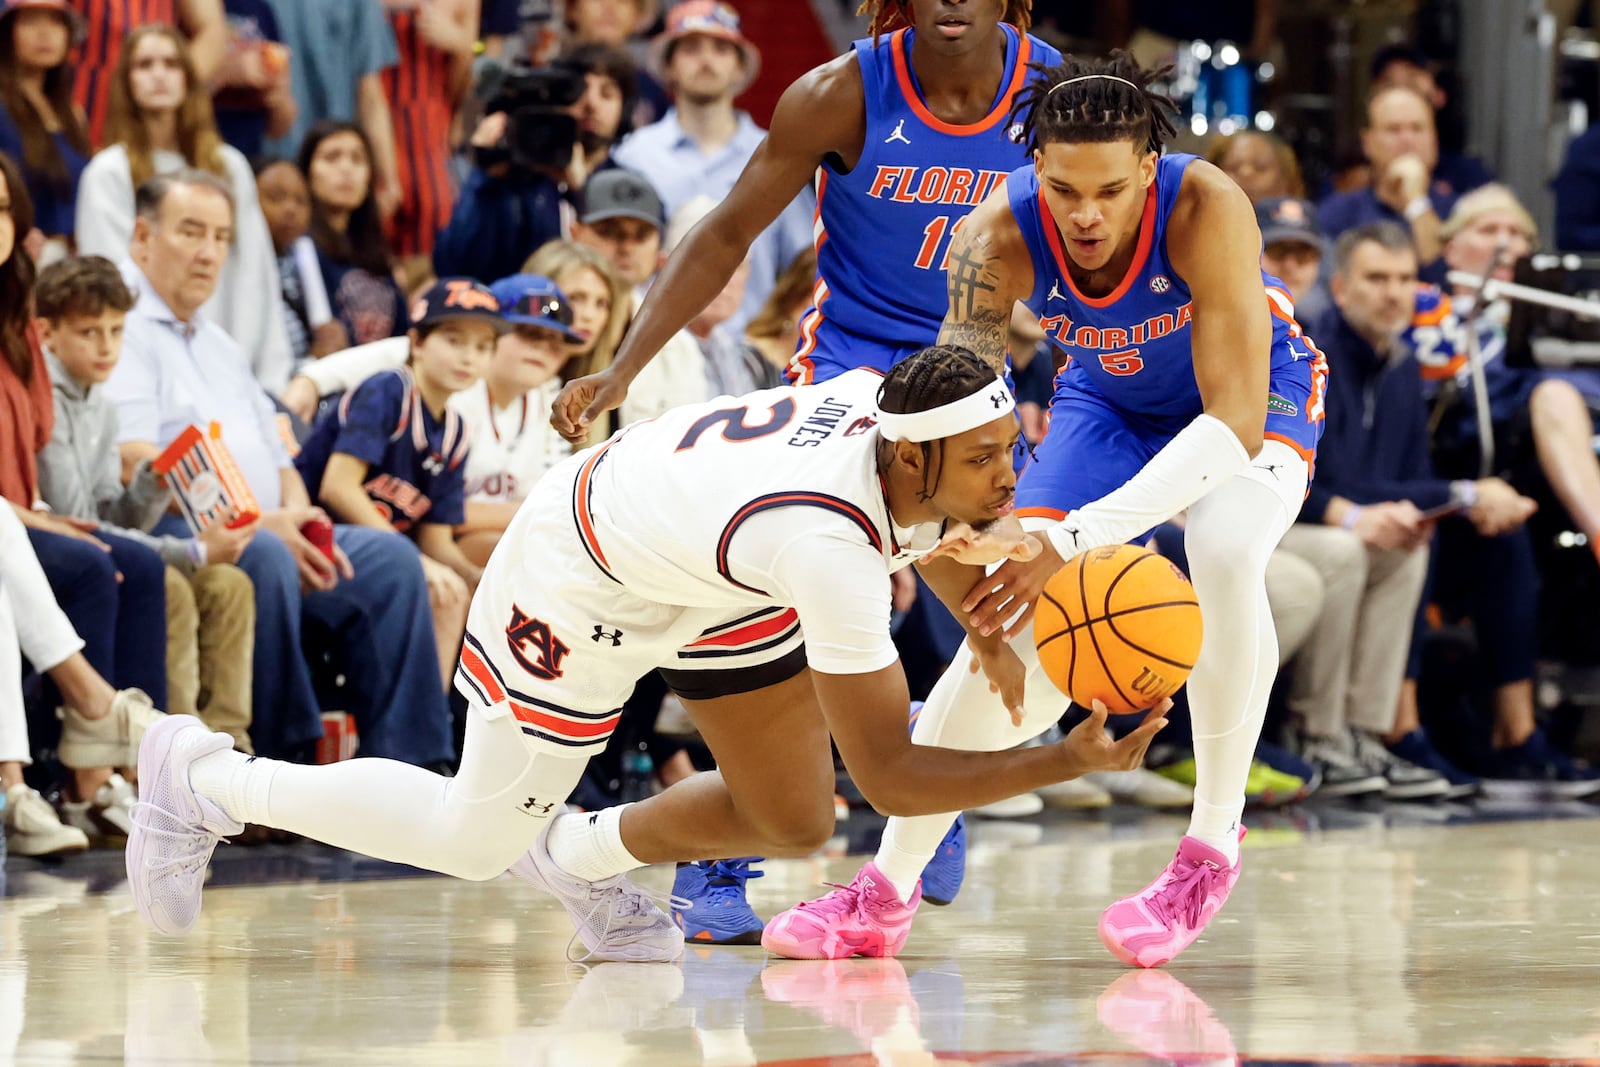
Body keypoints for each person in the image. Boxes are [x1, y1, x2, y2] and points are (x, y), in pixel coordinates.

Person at [123, 344, 1171, 959]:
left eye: (1010, 450)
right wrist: (1060, 759)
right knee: (472, 834)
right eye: (987, 457)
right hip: (581, 569)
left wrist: (983, 626)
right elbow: (892, 774)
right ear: (914, 453)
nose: (1008, 476)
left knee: (794, 815)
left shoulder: (883, 405)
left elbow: (934, 520)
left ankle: (579, 856)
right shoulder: (826, 548)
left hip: (709, 570)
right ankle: (208, 780)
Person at [766, 51, 1327, 969]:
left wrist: (1070, 531)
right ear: (1035, 173)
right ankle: (884, 888)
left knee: (1224, 549)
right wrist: (973, 555)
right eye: (1064, 189)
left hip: (1251, 399)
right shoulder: (991, 241)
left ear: (1149, 166)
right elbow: (953, 420)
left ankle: (1209, 848)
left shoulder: (1207, 202)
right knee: (1009, 605)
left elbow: (1227, 423)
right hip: (1103, 401)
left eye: (1110, 188)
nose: (1087, 213)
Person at [553, 0, 1061, 941]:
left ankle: (920, 795)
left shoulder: (1052, 93)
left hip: (974, 376)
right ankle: (719, 856)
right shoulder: (841, 93)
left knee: (1013, 607)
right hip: (850, 384)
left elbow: (1095, 243)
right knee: (780, 607)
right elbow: (722, 234)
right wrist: (623, 363)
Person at [104, 168, 456, 768]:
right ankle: (277, 766)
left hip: (269, 523)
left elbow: (280, 455)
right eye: (191, 232)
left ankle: (411, 767)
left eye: (221, 237)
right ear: (142, 238)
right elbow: (134, 463)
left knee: (393, 560)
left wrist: (297, 514)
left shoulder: (219, 343)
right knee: (264, 555)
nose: (209, 252)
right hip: (181, 532)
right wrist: (265, 525)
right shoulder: (124, 331)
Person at [34, 255, 259, 755]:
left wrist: (153, 482)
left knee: (231, 586)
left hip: (106, 546)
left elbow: (116, 516)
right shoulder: (45, 397)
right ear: (46, 333)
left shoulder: (102, 402)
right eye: (90, 332)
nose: (107, 346)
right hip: (59, 550)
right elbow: (79, 521)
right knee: (173, 587)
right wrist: (192, 553)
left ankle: (229, 752)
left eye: (116, 330)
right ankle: (176, 759)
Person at [293, 277, 504, 692]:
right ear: (417, 342)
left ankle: (432, 738)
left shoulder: (457, 431)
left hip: (380, 557)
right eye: (455, 340)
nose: (469, 357)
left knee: (454, 593)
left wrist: (470, 574)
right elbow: (337, 487)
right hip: (317, 542)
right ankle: (416, 739)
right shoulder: (388, 390)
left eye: (483, 347)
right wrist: (414, 560)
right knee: (425, 580)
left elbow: (437, 539)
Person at [75, 24, 291, 394]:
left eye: (171, 64)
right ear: (126, 82)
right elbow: (113, 281)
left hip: (231, 365)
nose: (159, 74)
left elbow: (256, 276)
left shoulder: (229, 166)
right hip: (146, 370)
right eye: (145, 65)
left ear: (189, 78)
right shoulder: (108, 172)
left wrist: (254, 374)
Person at [614, 0, 814, 332]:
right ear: (669, 65)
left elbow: (805, 266)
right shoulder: (634, 156)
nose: (706, 60)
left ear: (739, 67)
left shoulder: (778, 154)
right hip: (653, 353)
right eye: (691, 48)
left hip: (749, 357)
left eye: (721, 49)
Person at [1317, 85, 1454, 284]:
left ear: (1434, 140)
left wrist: (1416, 202)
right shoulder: (1336, 214)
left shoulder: (1461, 212)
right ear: (1368, 143)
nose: (1407, 139)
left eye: (1417, 128)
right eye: (1393, 129)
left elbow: (1447, 284)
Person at [298, 120, 409, 347]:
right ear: (307, 173)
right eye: (331, 158)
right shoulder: (300, 249)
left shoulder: (377, 253)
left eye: (357, 159)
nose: (346, 169)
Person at [0, 0, 92, 256]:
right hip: (20, 257)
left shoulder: (74, 113)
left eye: (56, 22)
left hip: (74, 258)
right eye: (30, 21)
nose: (45, 32)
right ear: (7, 33)